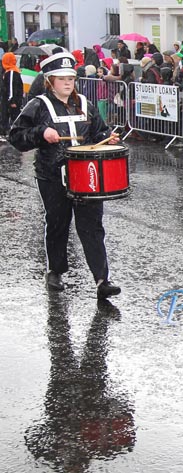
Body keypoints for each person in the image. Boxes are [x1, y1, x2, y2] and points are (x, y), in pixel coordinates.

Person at [8, 51, 122, 298]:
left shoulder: (85, 104)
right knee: (58, 224)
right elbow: (16, 136)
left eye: (71, 78)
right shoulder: (38, 105)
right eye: (62, 79)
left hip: (87, 176)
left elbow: (98, 133)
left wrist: (107, 138)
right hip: (52, 176)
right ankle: (55, 271)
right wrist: (41, 133)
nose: (68, 83)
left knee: (92, 227)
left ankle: (102, 280)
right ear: (50, 81)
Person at [1, 52, 24, 134]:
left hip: (11, 101)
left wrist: (12, 100)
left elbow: (11, 87)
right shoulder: (13, 70)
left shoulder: (11, 72)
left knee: (12, 118)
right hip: (13, 100)